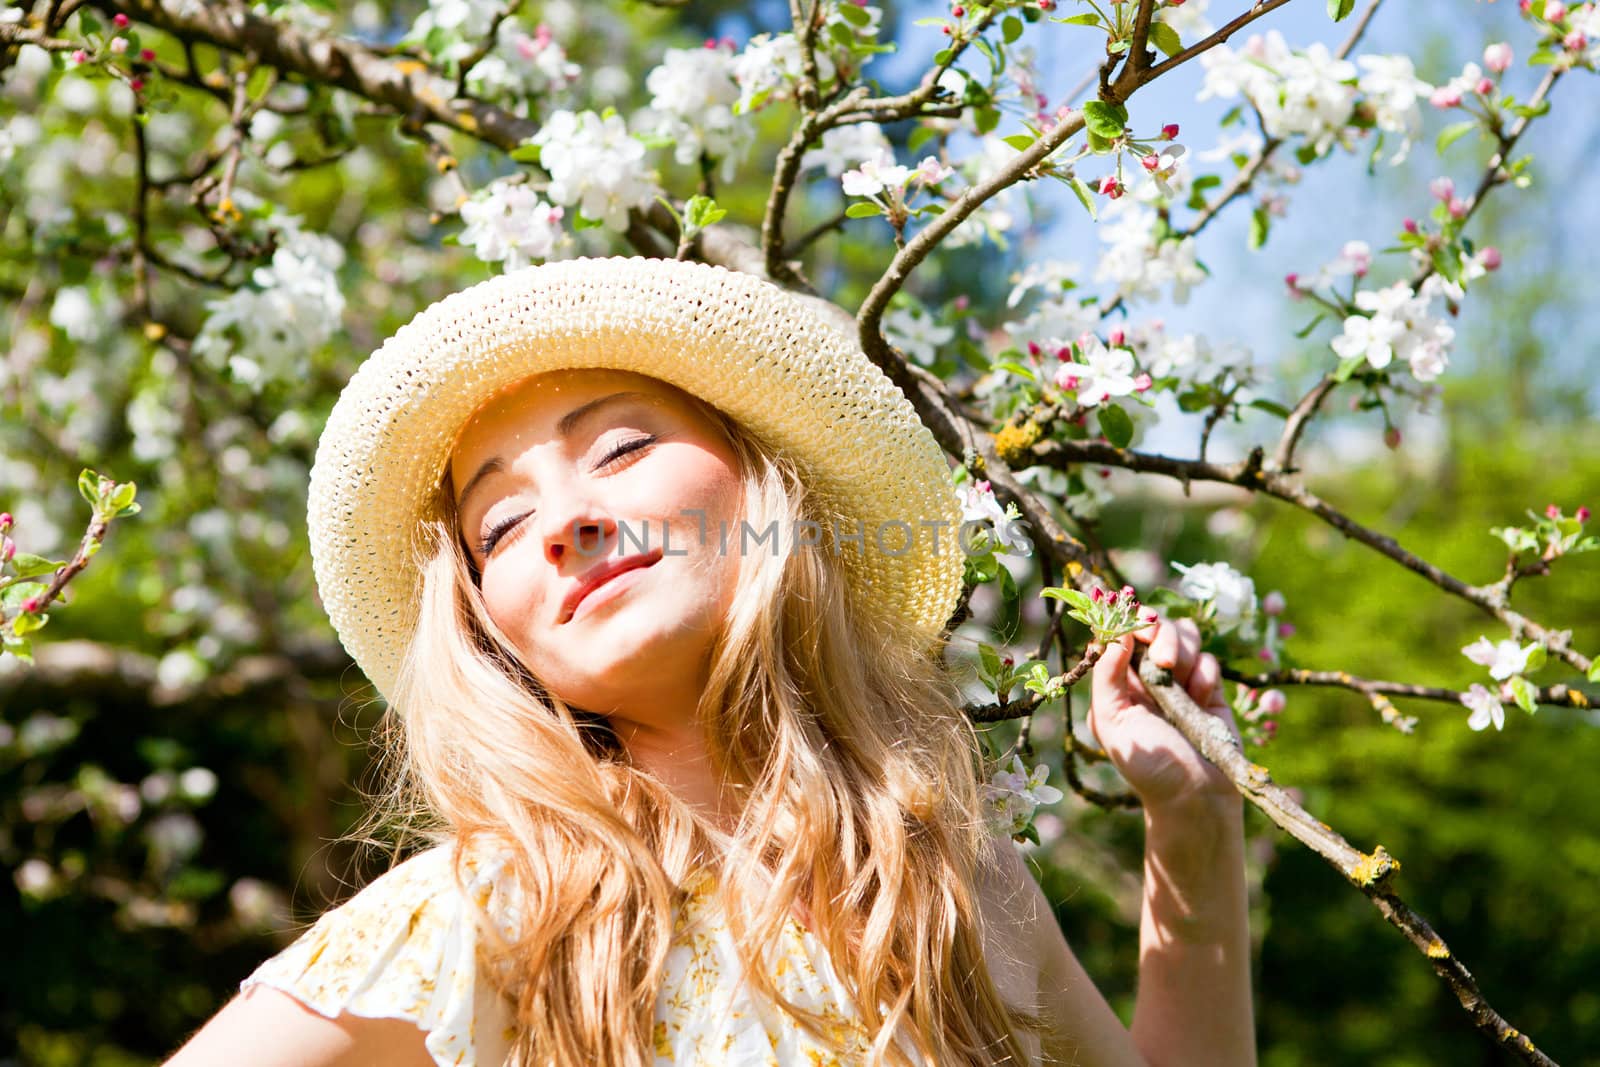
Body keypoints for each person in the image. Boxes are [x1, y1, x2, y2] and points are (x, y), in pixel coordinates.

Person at [162, 256, 1255, 1067]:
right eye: (497, 526)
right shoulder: (493, 914)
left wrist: (1196, 827)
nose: (563, 521)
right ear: (494, 629)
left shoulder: (951, 877)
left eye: (623, 448)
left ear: (765, 495)